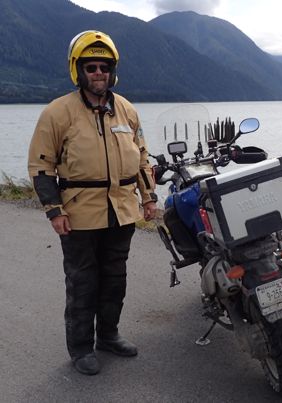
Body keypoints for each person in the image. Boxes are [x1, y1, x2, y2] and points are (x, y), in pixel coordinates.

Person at [27, 30, 157, 375]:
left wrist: (148, 198)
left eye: (104, 67)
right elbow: (41, 167)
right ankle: (81, 347)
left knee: (115, 278)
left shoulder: (126, 109)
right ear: (79, 71)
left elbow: (142, 158)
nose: (98, 73)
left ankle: (109, 335)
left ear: (112, 71)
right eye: (91, 67)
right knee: (83, 281)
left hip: (122, 211)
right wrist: (54, 210)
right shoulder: (58, 113)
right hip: (79, 215)